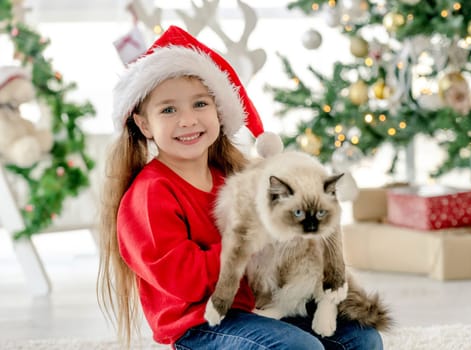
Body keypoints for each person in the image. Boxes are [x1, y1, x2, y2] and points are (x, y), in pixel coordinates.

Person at [97, 25, 384, 350]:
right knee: (299, 348)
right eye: (168, 109)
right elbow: (183, 281)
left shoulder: (230, 176)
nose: (188, 120)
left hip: (256, 307)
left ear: (219, 110)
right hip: (200, 324)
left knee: (361, 338)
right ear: (143, 123)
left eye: (200, 104)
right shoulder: (150, 194)